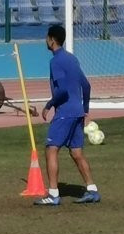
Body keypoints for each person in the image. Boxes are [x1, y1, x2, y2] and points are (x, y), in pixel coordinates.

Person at [35, 24, 100, 206]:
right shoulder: (72, 59)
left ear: (52, 40)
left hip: (65, 112)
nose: (46, 41)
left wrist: (49, 105)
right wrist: (84, 108)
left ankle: (53, 194)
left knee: (51, 149)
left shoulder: (55, 61)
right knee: (77, 152)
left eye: (47, 38)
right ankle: (92, 190)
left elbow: (62, 90)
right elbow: (86, 85)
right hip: (77, 111)